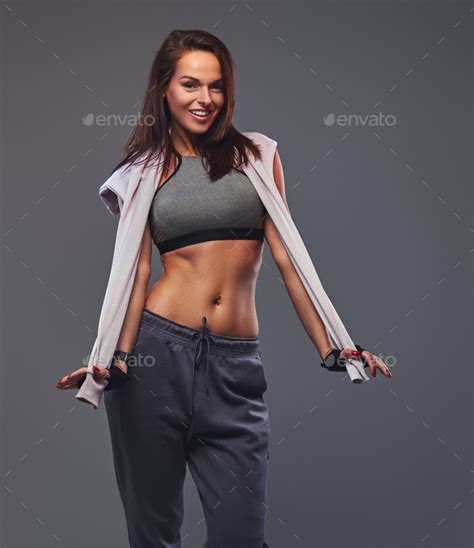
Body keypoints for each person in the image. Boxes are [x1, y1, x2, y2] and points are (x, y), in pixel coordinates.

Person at [56, 29, 391, 548]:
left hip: (234, 370)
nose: (204, 99)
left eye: (215, 86)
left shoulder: (258, 156)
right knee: (153, 535)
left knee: (240, 534)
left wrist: (336, 347)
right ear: (164, 88)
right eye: (190, 84)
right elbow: (134, 274)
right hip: (154, 361)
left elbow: (288, 259)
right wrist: (111, 359)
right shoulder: (141, 173)